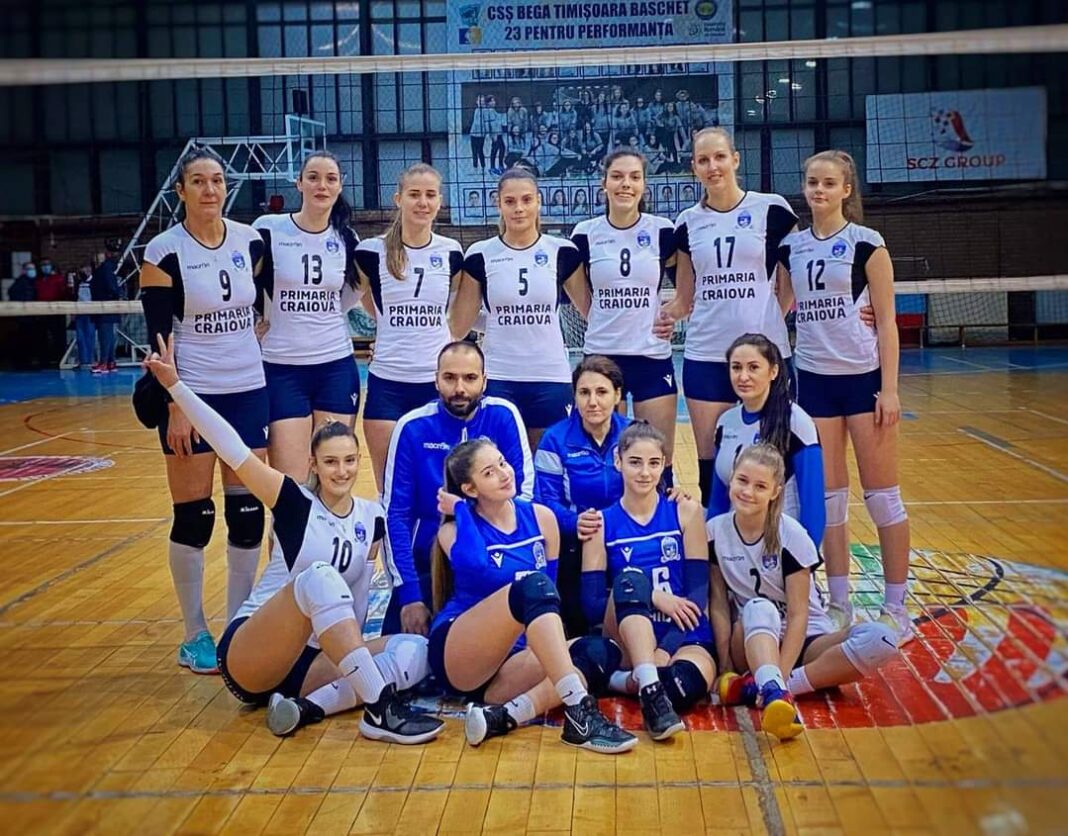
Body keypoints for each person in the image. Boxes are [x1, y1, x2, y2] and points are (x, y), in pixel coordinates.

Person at [142, 334, 445, 744]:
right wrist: (176, 387)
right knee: (319, 577)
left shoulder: (371, 517)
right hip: (253, 654)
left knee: (418, 649)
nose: (341, 471)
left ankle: (309, 707)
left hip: (312, 662)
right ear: (313, 465)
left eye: (349, 461)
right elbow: (231, 447)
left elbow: (358, 603)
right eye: (331, 462)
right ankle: (380, 709)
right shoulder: (294, 502)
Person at [139, 146, 269, 674]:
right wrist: (176, 405)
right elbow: (158, 338)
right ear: (181, 191)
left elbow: (261, 304)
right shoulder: (164, 250)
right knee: (194, 517)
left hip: (248, 388)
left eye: (216, 180)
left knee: (247, 514)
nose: (209, 189)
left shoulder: (249, 241)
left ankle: (237, 624)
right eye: (198, 181)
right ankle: (194, 633)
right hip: (193, 393)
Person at [777, 150, 912, 643]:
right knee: (830, 501)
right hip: (814, 381)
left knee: (882, 499)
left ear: (846, 190)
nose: (819, 190)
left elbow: (888, 322)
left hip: (863, 380)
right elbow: (779, 305)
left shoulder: (866, 244)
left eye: (829, 183)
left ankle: (897, 608)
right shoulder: (791, 248)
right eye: (812, 182)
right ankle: (838, 604)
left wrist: (890, 389)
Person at [434, 439, 637, 754]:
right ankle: (580, 711)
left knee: (601, 651)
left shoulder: (542, 517)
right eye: (489, 472)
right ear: (470, 489)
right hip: (463, 653)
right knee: (532, 585)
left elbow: (550, 599)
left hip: (512, 665)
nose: (504, 474)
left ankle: (505, 716)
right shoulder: (453, 532)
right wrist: (461, 509)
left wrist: (542, 648)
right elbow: (475, 565)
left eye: (502, 463)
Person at [708, 444, 899, 740]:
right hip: (754, 637)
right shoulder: (714, 531)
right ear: (731, 478)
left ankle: (770, 689)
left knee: (882, 638)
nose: (748, 491)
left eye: (760, 486)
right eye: (742, 480)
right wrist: (725, 666)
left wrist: (782, 676)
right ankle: (770, 687)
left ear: (776, 492)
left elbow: (798, 615)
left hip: (807, 639)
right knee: (759, 607)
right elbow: (718, 603)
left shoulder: (791, 534)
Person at [655, 127, 798, 509]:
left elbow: (792, 280)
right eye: (703, 160)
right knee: (712, 465)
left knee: (772, 462)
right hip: (707, 355)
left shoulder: (772, 209)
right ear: (694, 168)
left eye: (719, 157)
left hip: (765, 356)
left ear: (735, 159)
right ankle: (715, 543)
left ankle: (772, 542)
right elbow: (685, 298)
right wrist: (660, 315)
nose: (713, 166)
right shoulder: (688, 222)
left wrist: (768, 319)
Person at [382, 340, 533, 638]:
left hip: (493, 559)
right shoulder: (412, 427)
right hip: (428, 564)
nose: (459, 388)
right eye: (450, 378)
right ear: (436, 380)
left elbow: (523, 495)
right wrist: (409, 594)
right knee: (402, 654)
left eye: (470, 378)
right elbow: (396, 514)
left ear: (484, 381)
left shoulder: (503, 415)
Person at [581, 421, 716, 739]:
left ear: (664, 464)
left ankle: (626, 682)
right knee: (630, 579)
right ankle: (640, 676)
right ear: (618, 461)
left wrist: (664, 652)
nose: (645, 472)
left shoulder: (685, 511)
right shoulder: (601, 523)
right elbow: (592, 606)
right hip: (627, 634)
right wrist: (652, 594)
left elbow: (697, 596)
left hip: (681, 634)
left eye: (654, 463)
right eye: (635, 462)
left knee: (683, 688)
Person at [450, 168, 590, 448]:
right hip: (499, 376)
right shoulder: (480, 254)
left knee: (547, 464)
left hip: (550, 376)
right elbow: (459, 325)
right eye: (510, 201)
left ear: (539, 201)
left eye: (526, 200)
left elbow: (592, 312)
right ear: (498, 204)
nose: (519, 208)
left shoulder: (562, 251)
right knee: (494, 463)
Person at [253, 151, 361, 486]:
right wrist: (252, 321)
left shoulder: (347, 239)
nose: (321, 185)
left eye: (331, 179)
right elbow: (243, 283)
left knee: (332, 477)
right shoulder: (269, 229)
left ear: (340, 185)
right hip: (281, 367)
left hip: (335, 367)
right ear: (299, 183)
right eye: (313, 177)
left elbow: (350, 296)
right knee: (291, 483)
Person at [572, 150, 678, 487]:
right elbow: (581, 295)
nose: (625, 184)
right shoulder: (585, 233)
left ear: (644, 185)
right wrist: (603, 318)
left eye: (634, 177)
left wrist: (673, 313)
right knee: (605, 461)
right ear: (604, 183)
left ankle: (662, 519)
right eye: (617, 176)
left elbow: (689, 283)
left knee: (658, 460)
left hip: (651, 356)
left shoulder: (663, 230)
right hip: (603, 357)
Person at [355, 163, 463, 492]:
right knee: (390, 489)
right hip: (388, 384)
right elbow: (363, 299)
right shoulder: (371, 251)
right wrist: (391, 329)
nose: (422, 202)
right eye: (414, 194)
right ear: (398, 199)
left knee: (441, 486)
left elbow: (455, 310)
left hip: (435, 383)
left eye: (430, 195)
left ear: (440, 202)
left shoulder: (451, 252)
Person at [535, 356, 630, 635]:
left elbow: (653, 485)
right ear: (574, 397)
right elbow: (544, 501)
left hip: (625, 534)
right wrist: (573, 522)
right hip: (575, 540)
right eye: (584, 393)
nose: (593, 402)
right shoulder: (555, 439)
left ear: (617, 395)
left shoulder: (634, 433)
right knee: (581, 620)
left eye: (602, 392)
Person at [709, 334, 824, 546]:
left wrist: (805, 557)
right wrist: (712, 550)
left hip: (781, 546)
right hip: (734, 549)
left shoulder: (796, 422)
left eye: (753, 367)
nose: (743, 376)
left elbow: (813, 507)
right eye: (736, 367)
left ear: (773, 371)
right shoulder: (725, 422)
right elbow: (717, 503)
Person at [91, 241, 122, 374]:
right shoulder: (106, 269)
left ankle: (104, 363)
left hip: (105, 307)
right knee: (108, 336)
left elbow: (111, 287)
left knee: (105, 336)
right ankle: (110, 362)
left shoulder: (105, 269)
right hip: (105, 307)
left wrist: (115, 296)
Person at [35, 257, 68, 363]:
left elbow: (63, 293)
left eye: (47, 264)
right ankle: (44, 360)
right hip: (41, 312)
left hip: (56, 312)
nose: (45, 267)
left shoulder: (58, 279)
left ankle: (60, 359)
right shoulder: (39, 280)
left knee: (58, 337)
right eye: (43, 265)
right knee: (42, 337)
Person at [8, 261, 39, 369]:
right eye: (29, 269)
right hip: (24, 318)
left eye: (33, 269)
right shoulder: (22, 283)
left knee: (27, 341)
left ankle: (25, 362)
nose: (32, 271)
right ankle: (23, 363)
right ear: (23, 271)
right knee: (24, 341)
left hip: (28, 317)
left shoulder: (31, 282)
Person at [73, 265, 96, 369]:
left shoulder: (94, 282)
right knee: (80, 337)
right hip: (79, 313)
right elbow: (75, 296)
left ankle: (90, 360)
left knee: (90, 337)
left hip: (90, 313)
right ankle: (83, 360)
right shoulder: (78, 283)